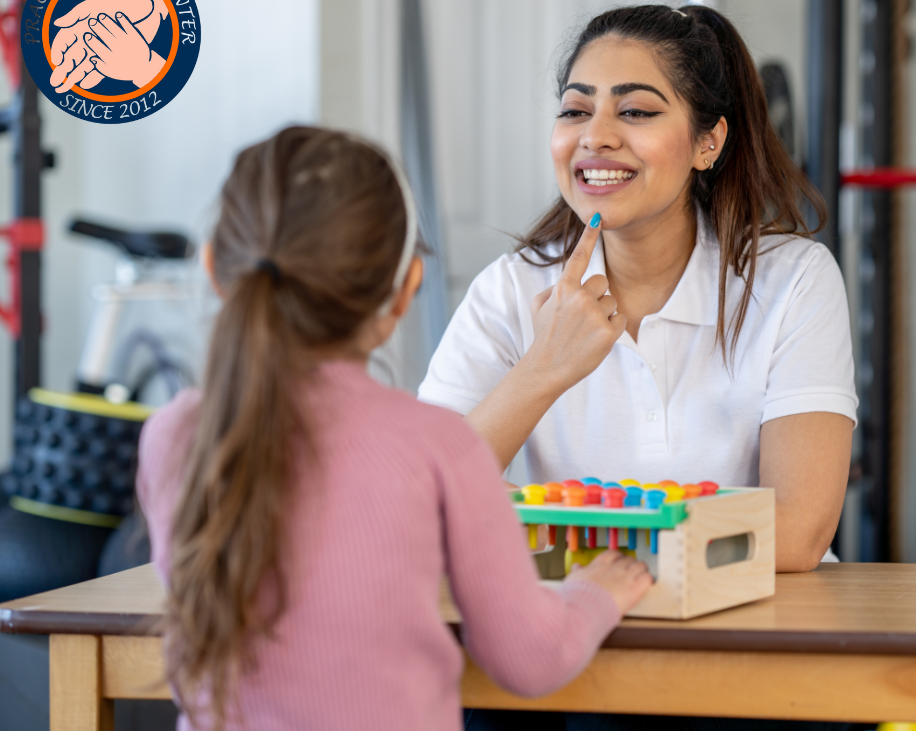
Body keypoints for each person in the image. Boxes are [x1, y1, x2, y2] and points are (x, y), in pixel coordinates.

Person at [136, 126, 652, 731]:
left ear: (214, 271)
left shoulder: (172, 434)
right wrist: (597, 591)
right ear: (406, 289)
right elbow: (531, 660)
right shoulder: (437, 447)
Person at [419, 4, 857, 579]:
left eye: (636, 112)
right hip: (578, 624)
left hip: (759, 620)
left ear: (708, 142)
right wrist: (544, 367)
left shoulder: (794, 279)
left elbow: (798, 531)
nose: (595, 136)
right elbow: (421, 501)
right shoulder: (508, 289)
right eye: (575, 111)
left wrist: (556, 532)